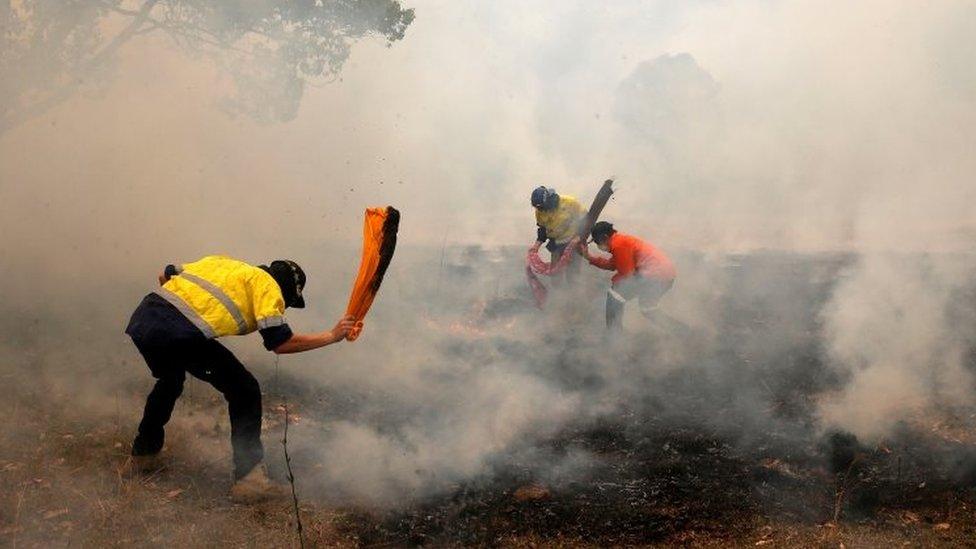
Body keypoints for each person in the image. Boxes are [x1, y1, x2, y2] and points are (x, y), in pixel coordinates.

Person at [122, 255, 355, 502]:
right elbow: (281, 343)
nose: (284, 308)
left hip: (145, 319)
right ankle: (249, 481)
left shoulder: (225, 264)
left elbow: (164, 274)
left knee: (171, 380)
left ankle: (143, 455)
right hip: (179, 333)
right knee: (245, 390)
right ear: (287, 290)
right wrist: (332, 335)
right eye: (289, 303)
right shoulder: (269, 287)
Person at [579, 222, 676, 330]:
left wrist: (615, 282)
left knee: (615, 295)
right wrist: (589, 257)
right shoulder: (619, 241)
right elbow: (612, 265)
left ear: (605, 237)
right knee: (648, 308)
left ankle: (614, 336)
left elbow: (627, 274)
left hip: (655, 276)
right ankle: (684, 332)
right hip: (666, 276)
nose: (597, 245)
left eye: (597, 241)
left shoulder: (619, 245)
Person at [531, 186, 586, 280]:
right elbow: (543, 229)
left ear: (549, 200)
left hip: (573, 241)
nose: (542, 211)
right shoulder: (539, 211)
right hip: (556, 243)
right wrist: (536, 246)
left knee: (572, 273)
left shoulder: (570, 202)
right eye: (539, 208)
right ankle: (557, 292)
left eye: (543, 207)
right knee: (555, 274)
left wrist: (579, 237)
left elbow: (586, 219)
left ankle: (574, 291)